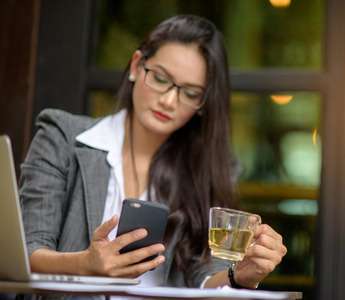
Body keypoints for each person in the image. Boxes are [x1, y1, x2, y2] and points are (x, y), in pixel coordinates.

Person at [19, 14, 287, 291]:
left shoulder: (209, 167)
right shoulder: (62, 137)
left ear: (205, 103)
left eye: (191, 94)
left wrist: (240, 275)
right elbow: (27, 251)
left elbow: (204, 275)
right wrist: (85, 264)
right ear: (136, 65)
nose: (169, 101)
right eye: (160, 78)